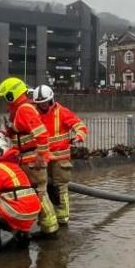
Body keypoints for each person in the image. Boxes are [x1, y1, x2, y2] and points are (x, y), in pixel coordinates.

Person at [0, 76, 59, 238]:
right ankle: (44, 227)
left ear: (11, 95)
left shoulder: (24, 109)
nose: (4, 101)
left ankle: (50, 229)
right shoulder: (20, 110)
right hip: (26, 160)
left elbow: (41, 134)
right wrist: (8, 131)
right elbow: (22, 132)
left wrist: (40, 156)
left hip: (32, 161)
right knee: (35, 194)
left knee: (40, 194)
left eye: (5, 97)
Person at [31, 84, 88, 225]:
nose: (42, 105)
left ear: (50, 100)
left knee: (60, 188)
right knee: (42, 188)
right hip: (42, 158)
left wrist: (79, 136)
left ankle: (62, 218)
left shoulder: (61, 112)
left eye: (44, 102)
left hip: (60, 158)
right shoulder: (33, 113)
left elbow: (79, 125)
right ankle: (47, 217)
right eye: (39, 103)